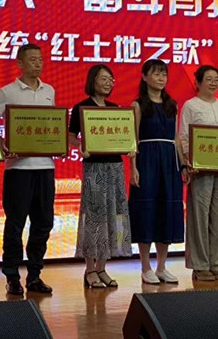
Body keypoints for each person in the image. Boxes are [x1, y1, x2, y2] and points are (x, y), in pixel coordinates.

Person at [0, 43, 56, 295]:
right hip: (18, 169)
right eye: (32, 59)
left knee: (44, 223)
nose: (38, 63)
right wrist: (1, 145)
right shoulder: (7, 92)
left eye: (40, 59)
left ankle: (35, 275)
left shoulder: (49, 90)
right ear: (19, 63)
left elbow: (52, 125)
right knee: (15, 225)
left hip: (45, 166)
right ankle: (12, 276)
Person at [68, 65, 133, 289]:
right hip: (94, 168)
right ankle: (90, 270)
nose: (107, 83)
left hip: (115, 167)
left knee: (113, 215)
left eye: (110, 79)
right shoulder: (81, 107)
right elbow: (71, 137)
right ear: (92, 81)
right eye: (103, 78)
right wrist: (81, 145)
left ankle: (103, 267)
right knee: (94, 218)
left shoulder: (115, 109)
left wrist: (130, 147)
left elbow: (125, 137)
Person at [129, 59, 188, 285]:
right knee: (146, 211)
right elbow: (133, 139)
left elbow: (176, 138)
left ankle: (162, 267)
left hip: (169, 162)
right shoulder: (138, 105)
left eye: (164, 74)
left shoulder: (172, 105)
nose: (161, 78)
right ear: (144, 77)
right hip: (147, 160)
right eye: (156, 74)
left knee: (167, 211)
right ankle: (145, 267)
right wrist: (133, 167)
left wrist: (182, 165)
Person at [179, 65, 218, 282]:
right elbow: (184, 136)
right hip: (199, 169)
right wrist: (187, 161)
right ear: (198, 83)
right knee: (199, 216)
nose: (213, 83)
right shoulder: (190, 105)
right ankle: (200, 265)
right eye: (208, 79)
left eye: (216, 79)